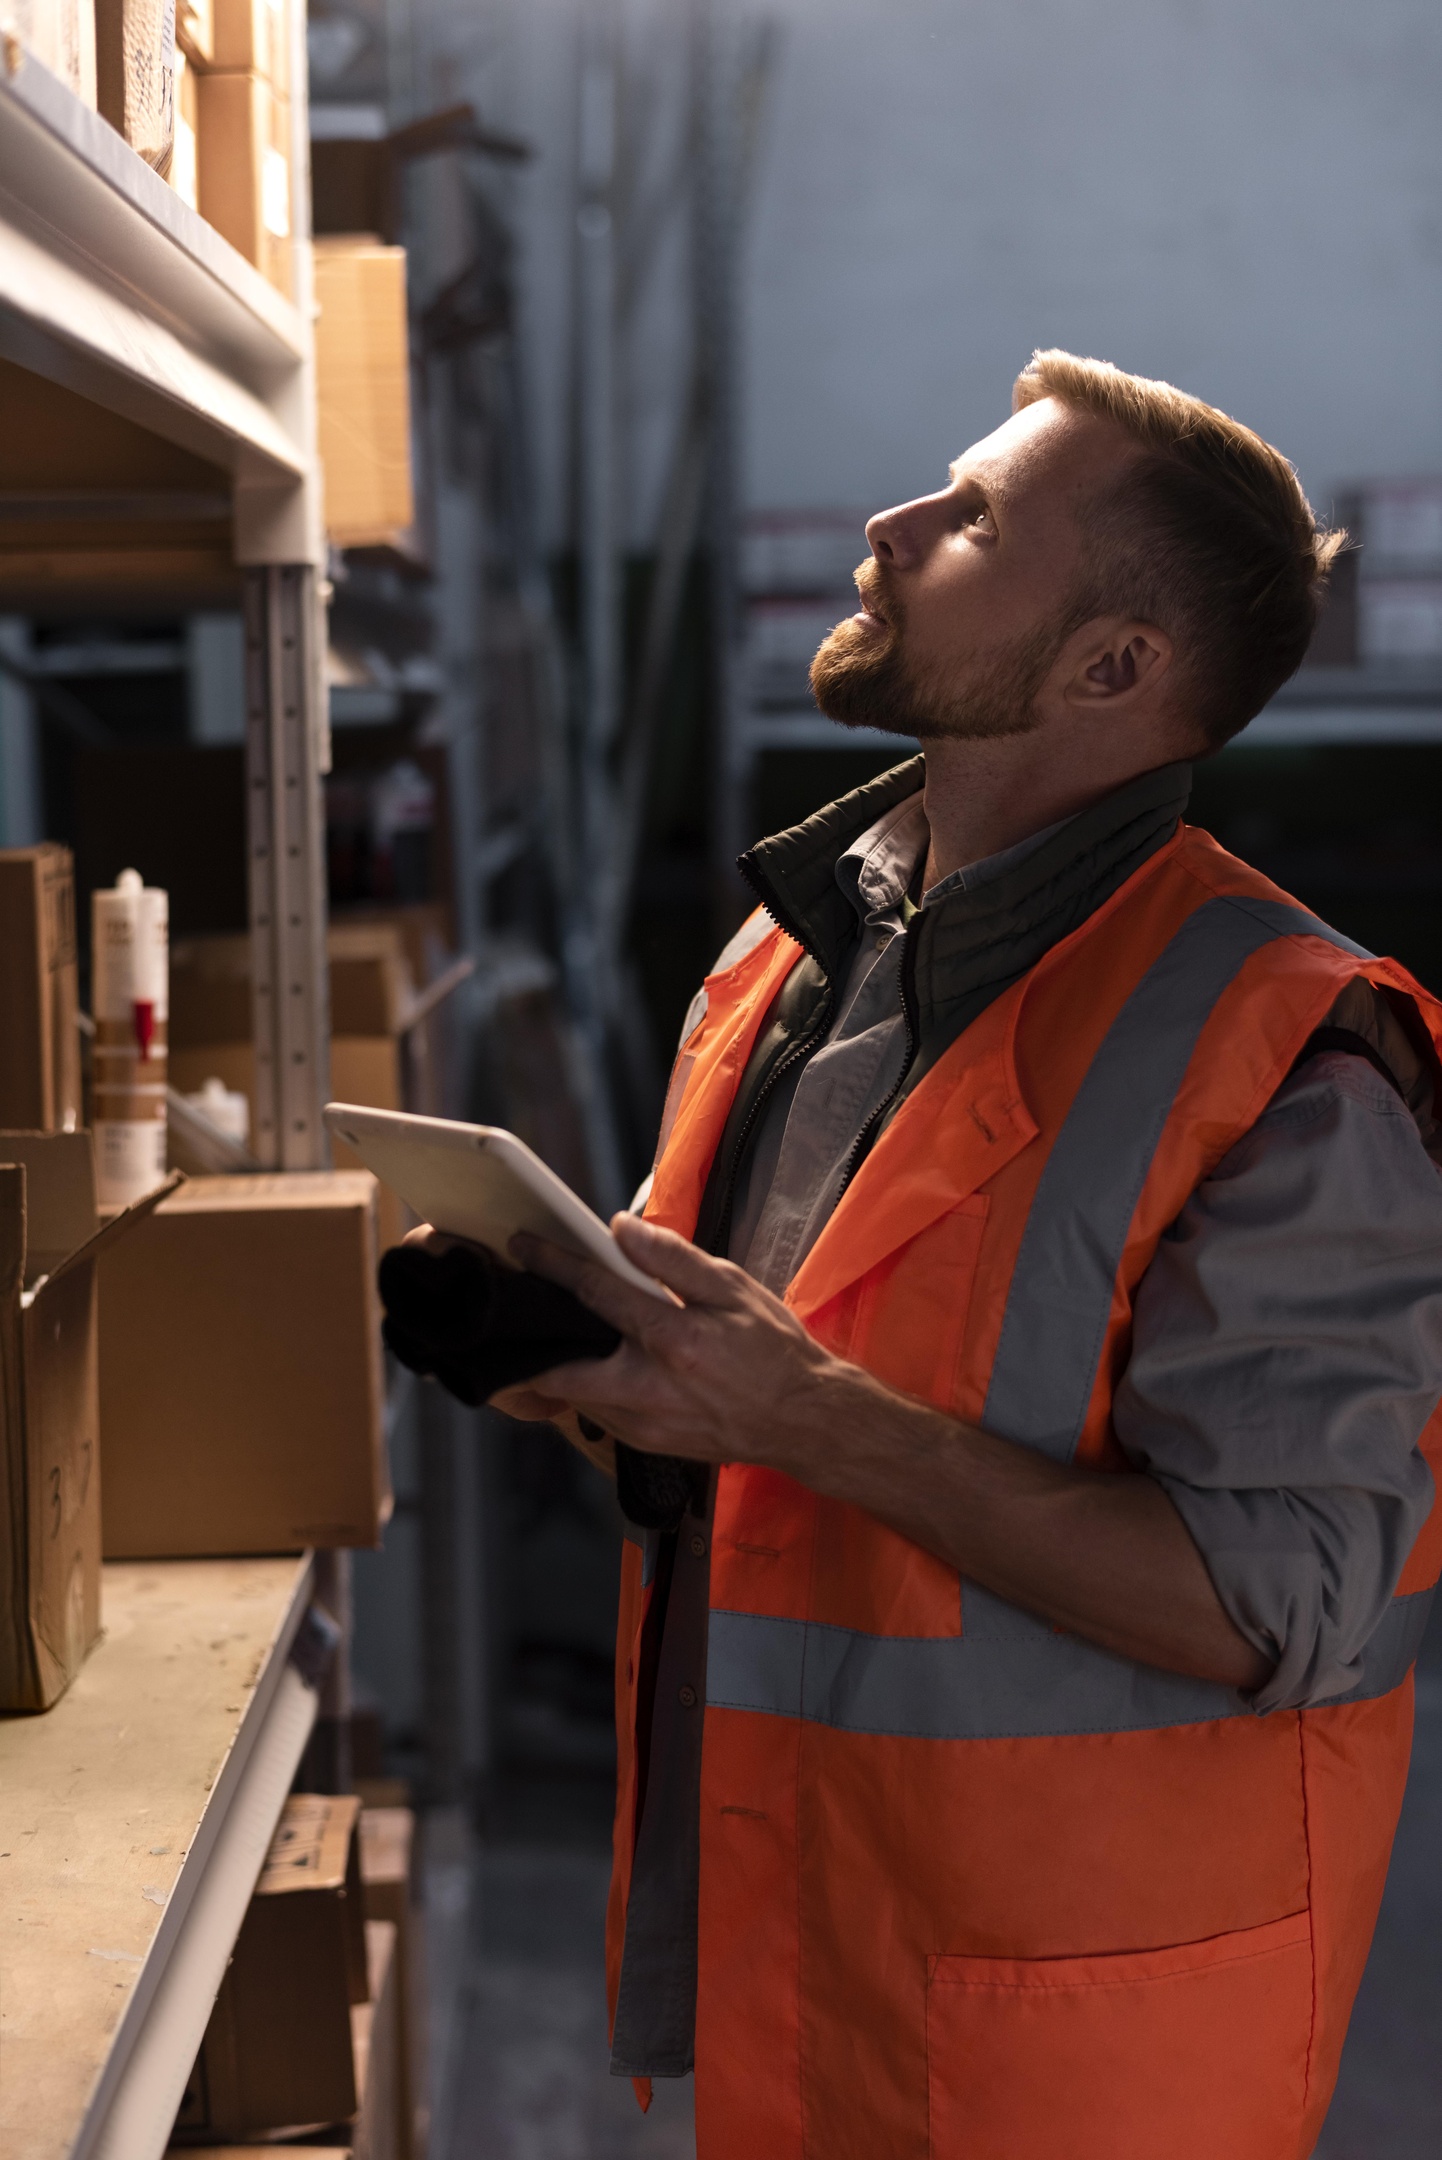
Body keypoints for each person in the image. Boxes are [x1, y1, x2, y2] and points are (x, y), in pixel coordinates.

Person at [497, 353, 1442, 2159]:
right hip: (808, 1955)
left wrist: (801, 1416)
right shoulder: (796, 955)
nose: (888, 525)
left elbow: (1278, 1604)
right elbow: (792, 1403)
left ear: (1110, 668)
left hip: (1082, 2044)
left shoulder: (1291, 1056)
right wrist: (609, 1375)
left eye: (975, 516)